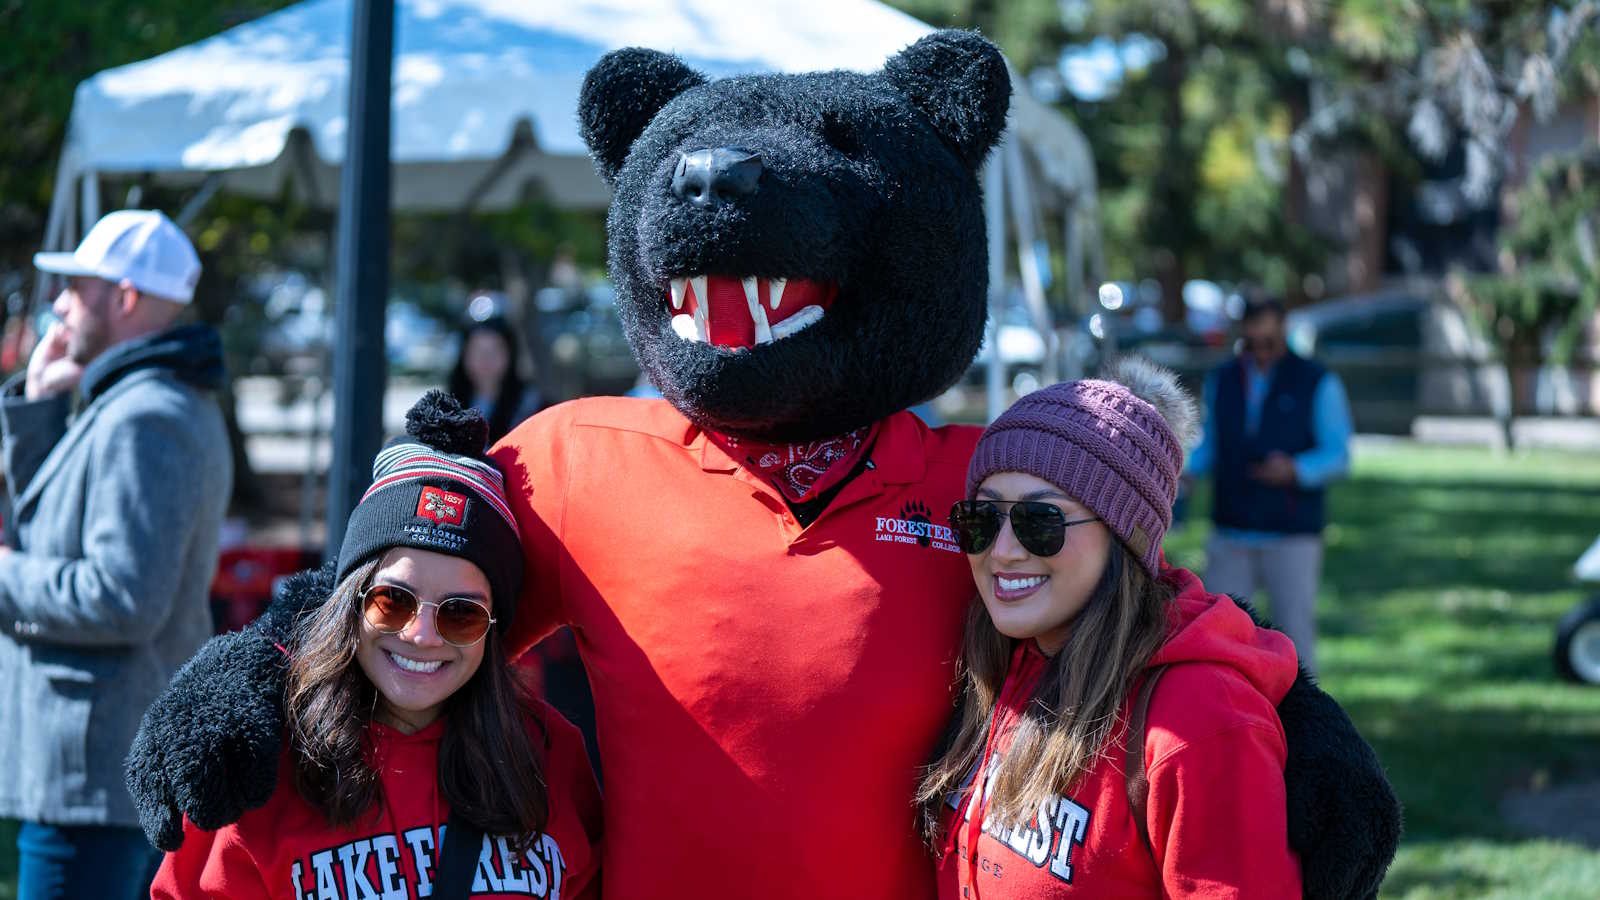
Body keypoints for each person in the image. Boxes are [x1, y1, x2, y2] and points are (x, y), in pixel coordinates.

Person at [150, 391, 601, 899]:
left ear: (493, 628)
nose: (422, 635)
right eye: (394, 600)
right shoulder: (259, 763)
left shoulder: (549, 755)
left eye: (460, 613)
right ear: (352, 600)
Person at [923, 358, 1301, 897]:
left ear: (1126, 535)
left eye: (1040, 522)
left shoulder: (1200, 718)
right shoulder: (1005, 661)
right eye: (981, 520)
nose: (1002, 551)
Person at [0, 209, 232, 900]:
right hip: (89, 774)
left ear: (125, 298)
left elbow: (121, 597)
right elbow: (50, 527)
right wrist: (40, 405)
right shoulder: (136, 403)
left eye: (75, 286)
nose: (60, 305)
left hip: (98, 780)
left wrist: (4, 575)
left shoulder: (148, 416)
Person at [1186, 295, 1354, 672]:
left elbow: (1339, 454)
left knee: (1294, 636)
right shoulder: (1223, 378)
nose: (1260, 346)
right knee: (1218, 635)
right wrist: (1186, 469)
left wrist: (1296, 469)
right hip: (1230, 529)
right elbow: (1210, 443)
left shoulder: (1317, 380)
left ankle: (1303, 726)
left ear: (1282, 329)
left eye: (1268, 336)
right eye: (1253, 336)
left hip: (1291, 532)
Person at [447, 315, 543, 446]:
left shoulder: (531, 405)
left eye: (495, 350)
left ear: (510, 353)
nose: (485, 359)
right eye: (477, 350)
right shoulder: (448, 406)